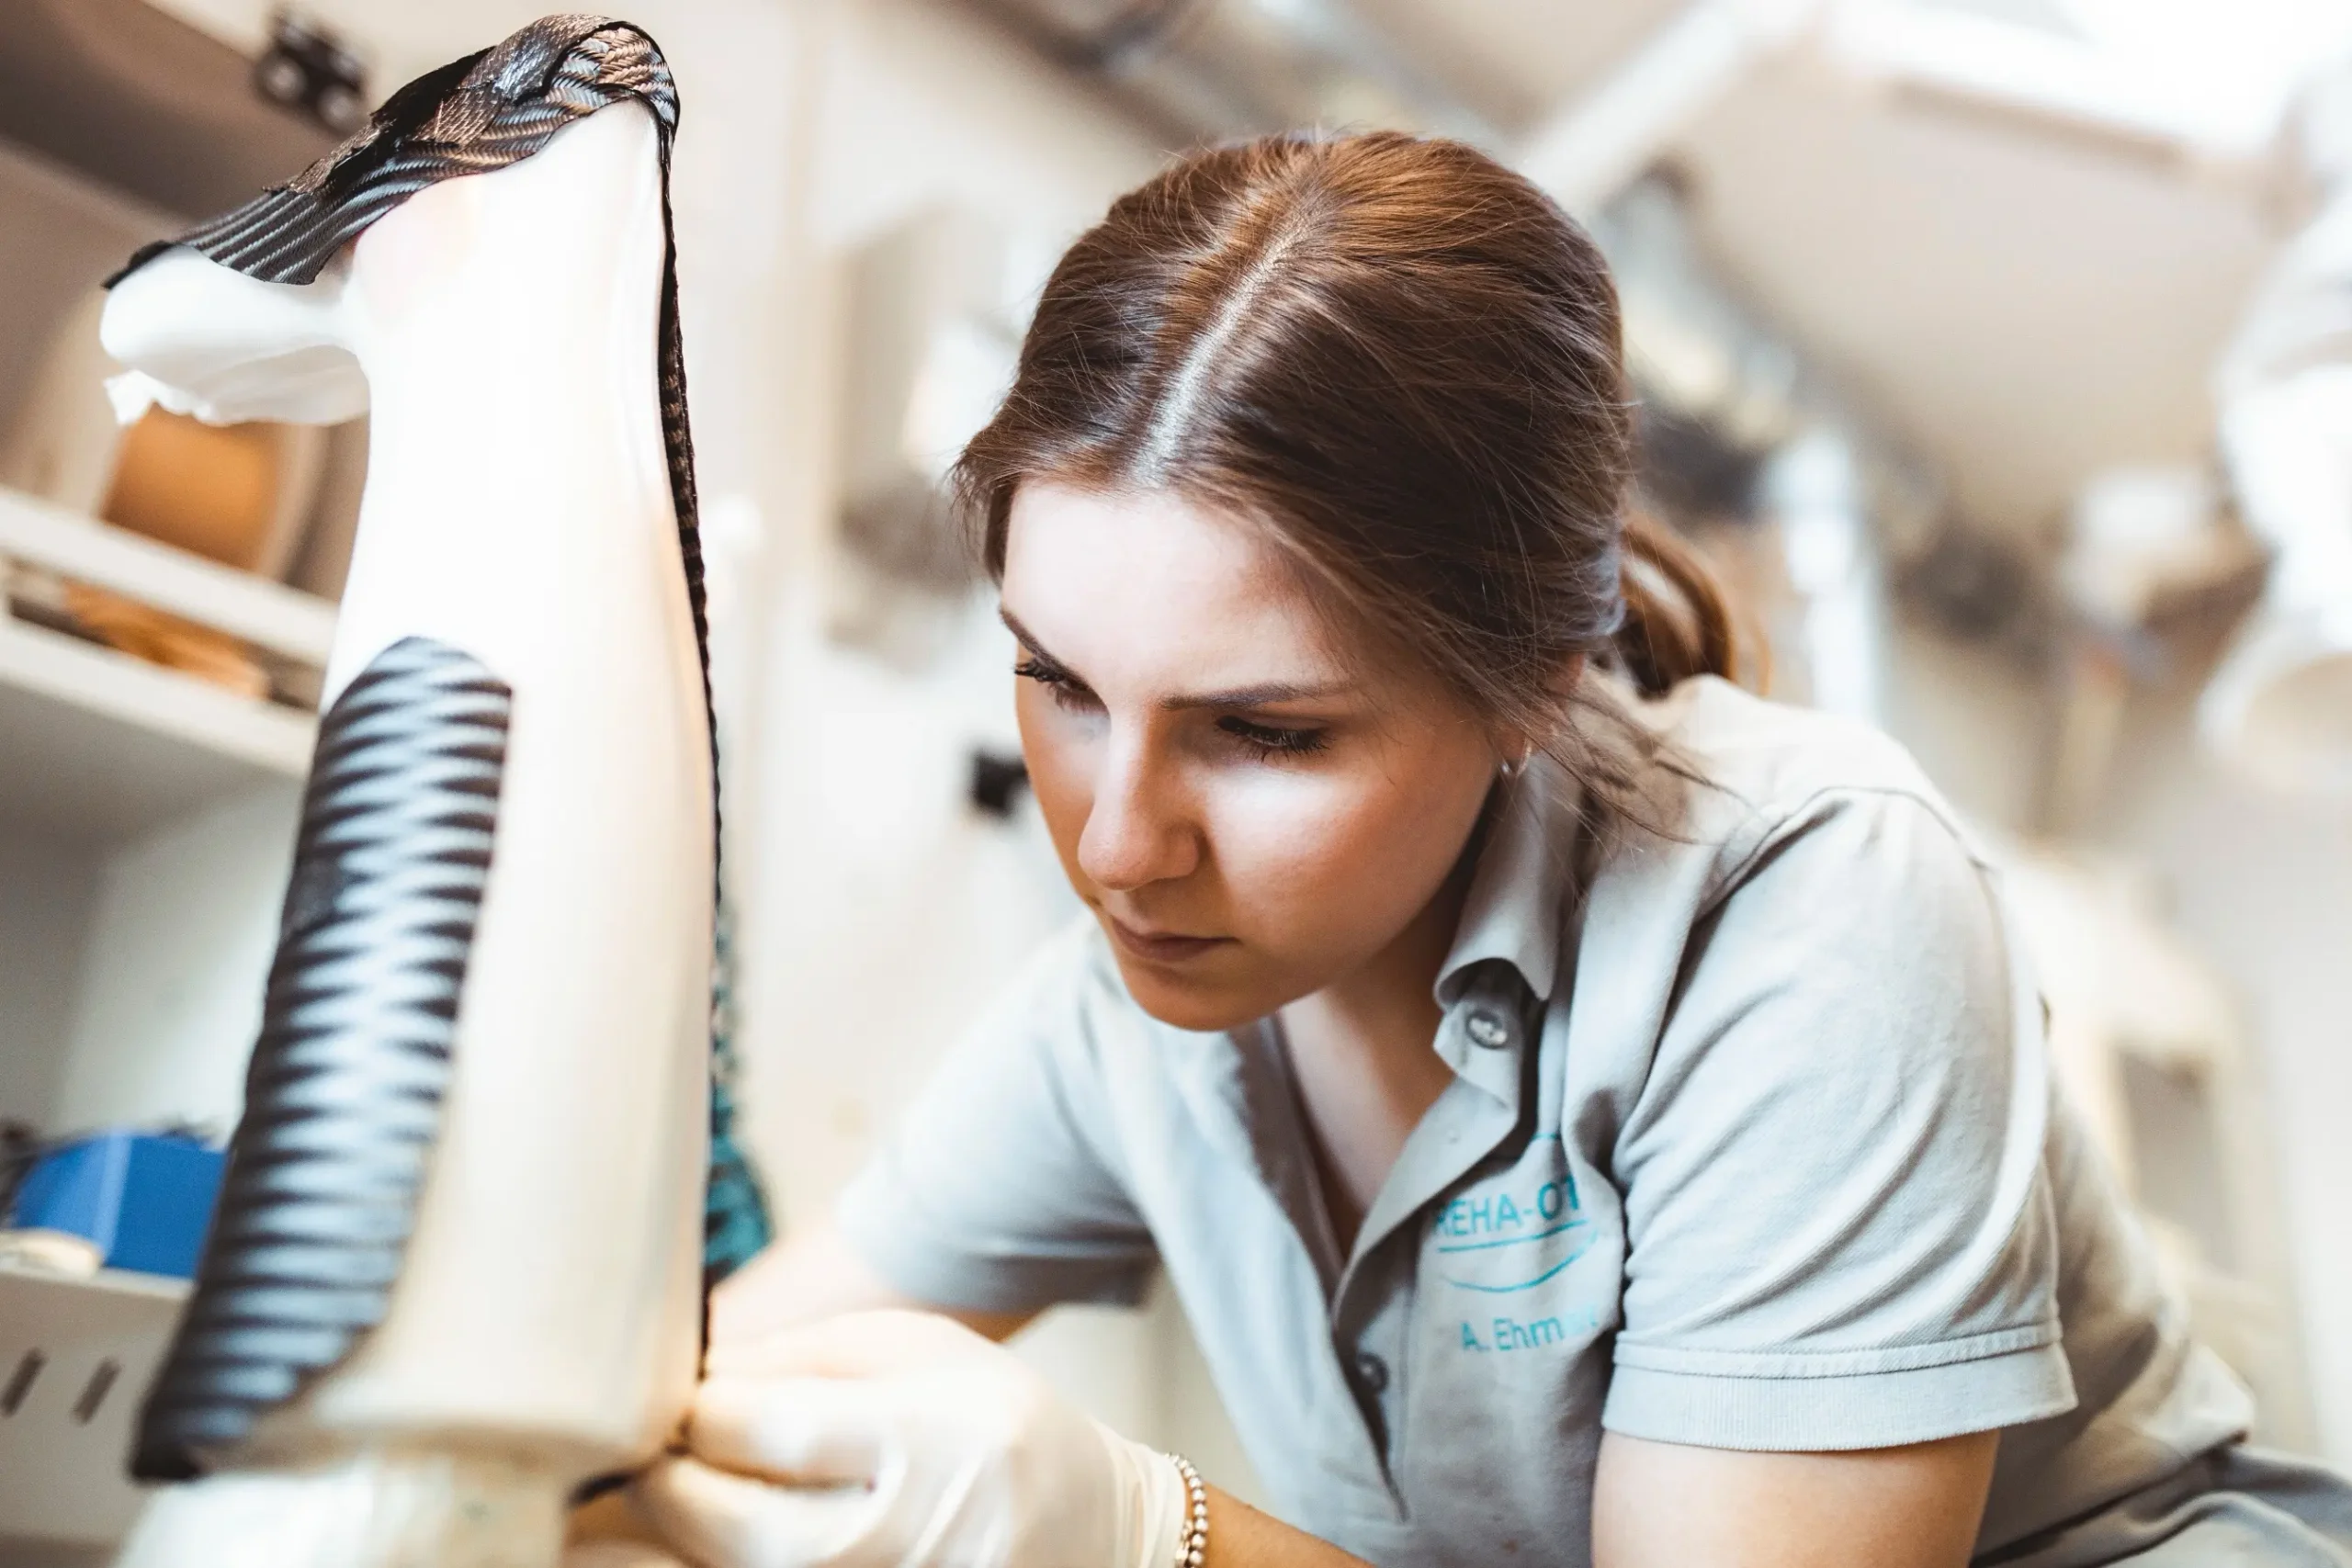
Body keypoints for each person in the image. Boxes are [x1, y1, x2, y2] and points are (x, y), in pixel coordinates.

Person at [622, 131, 2352, 1567]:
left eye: (1265, 732)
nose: (1121, 842)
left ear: (1528, 680)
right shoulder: (1125, 1030)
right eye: (1059, 684)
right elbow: (689, 1385)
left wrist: (1149, 1537)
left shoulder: (1811, 908)